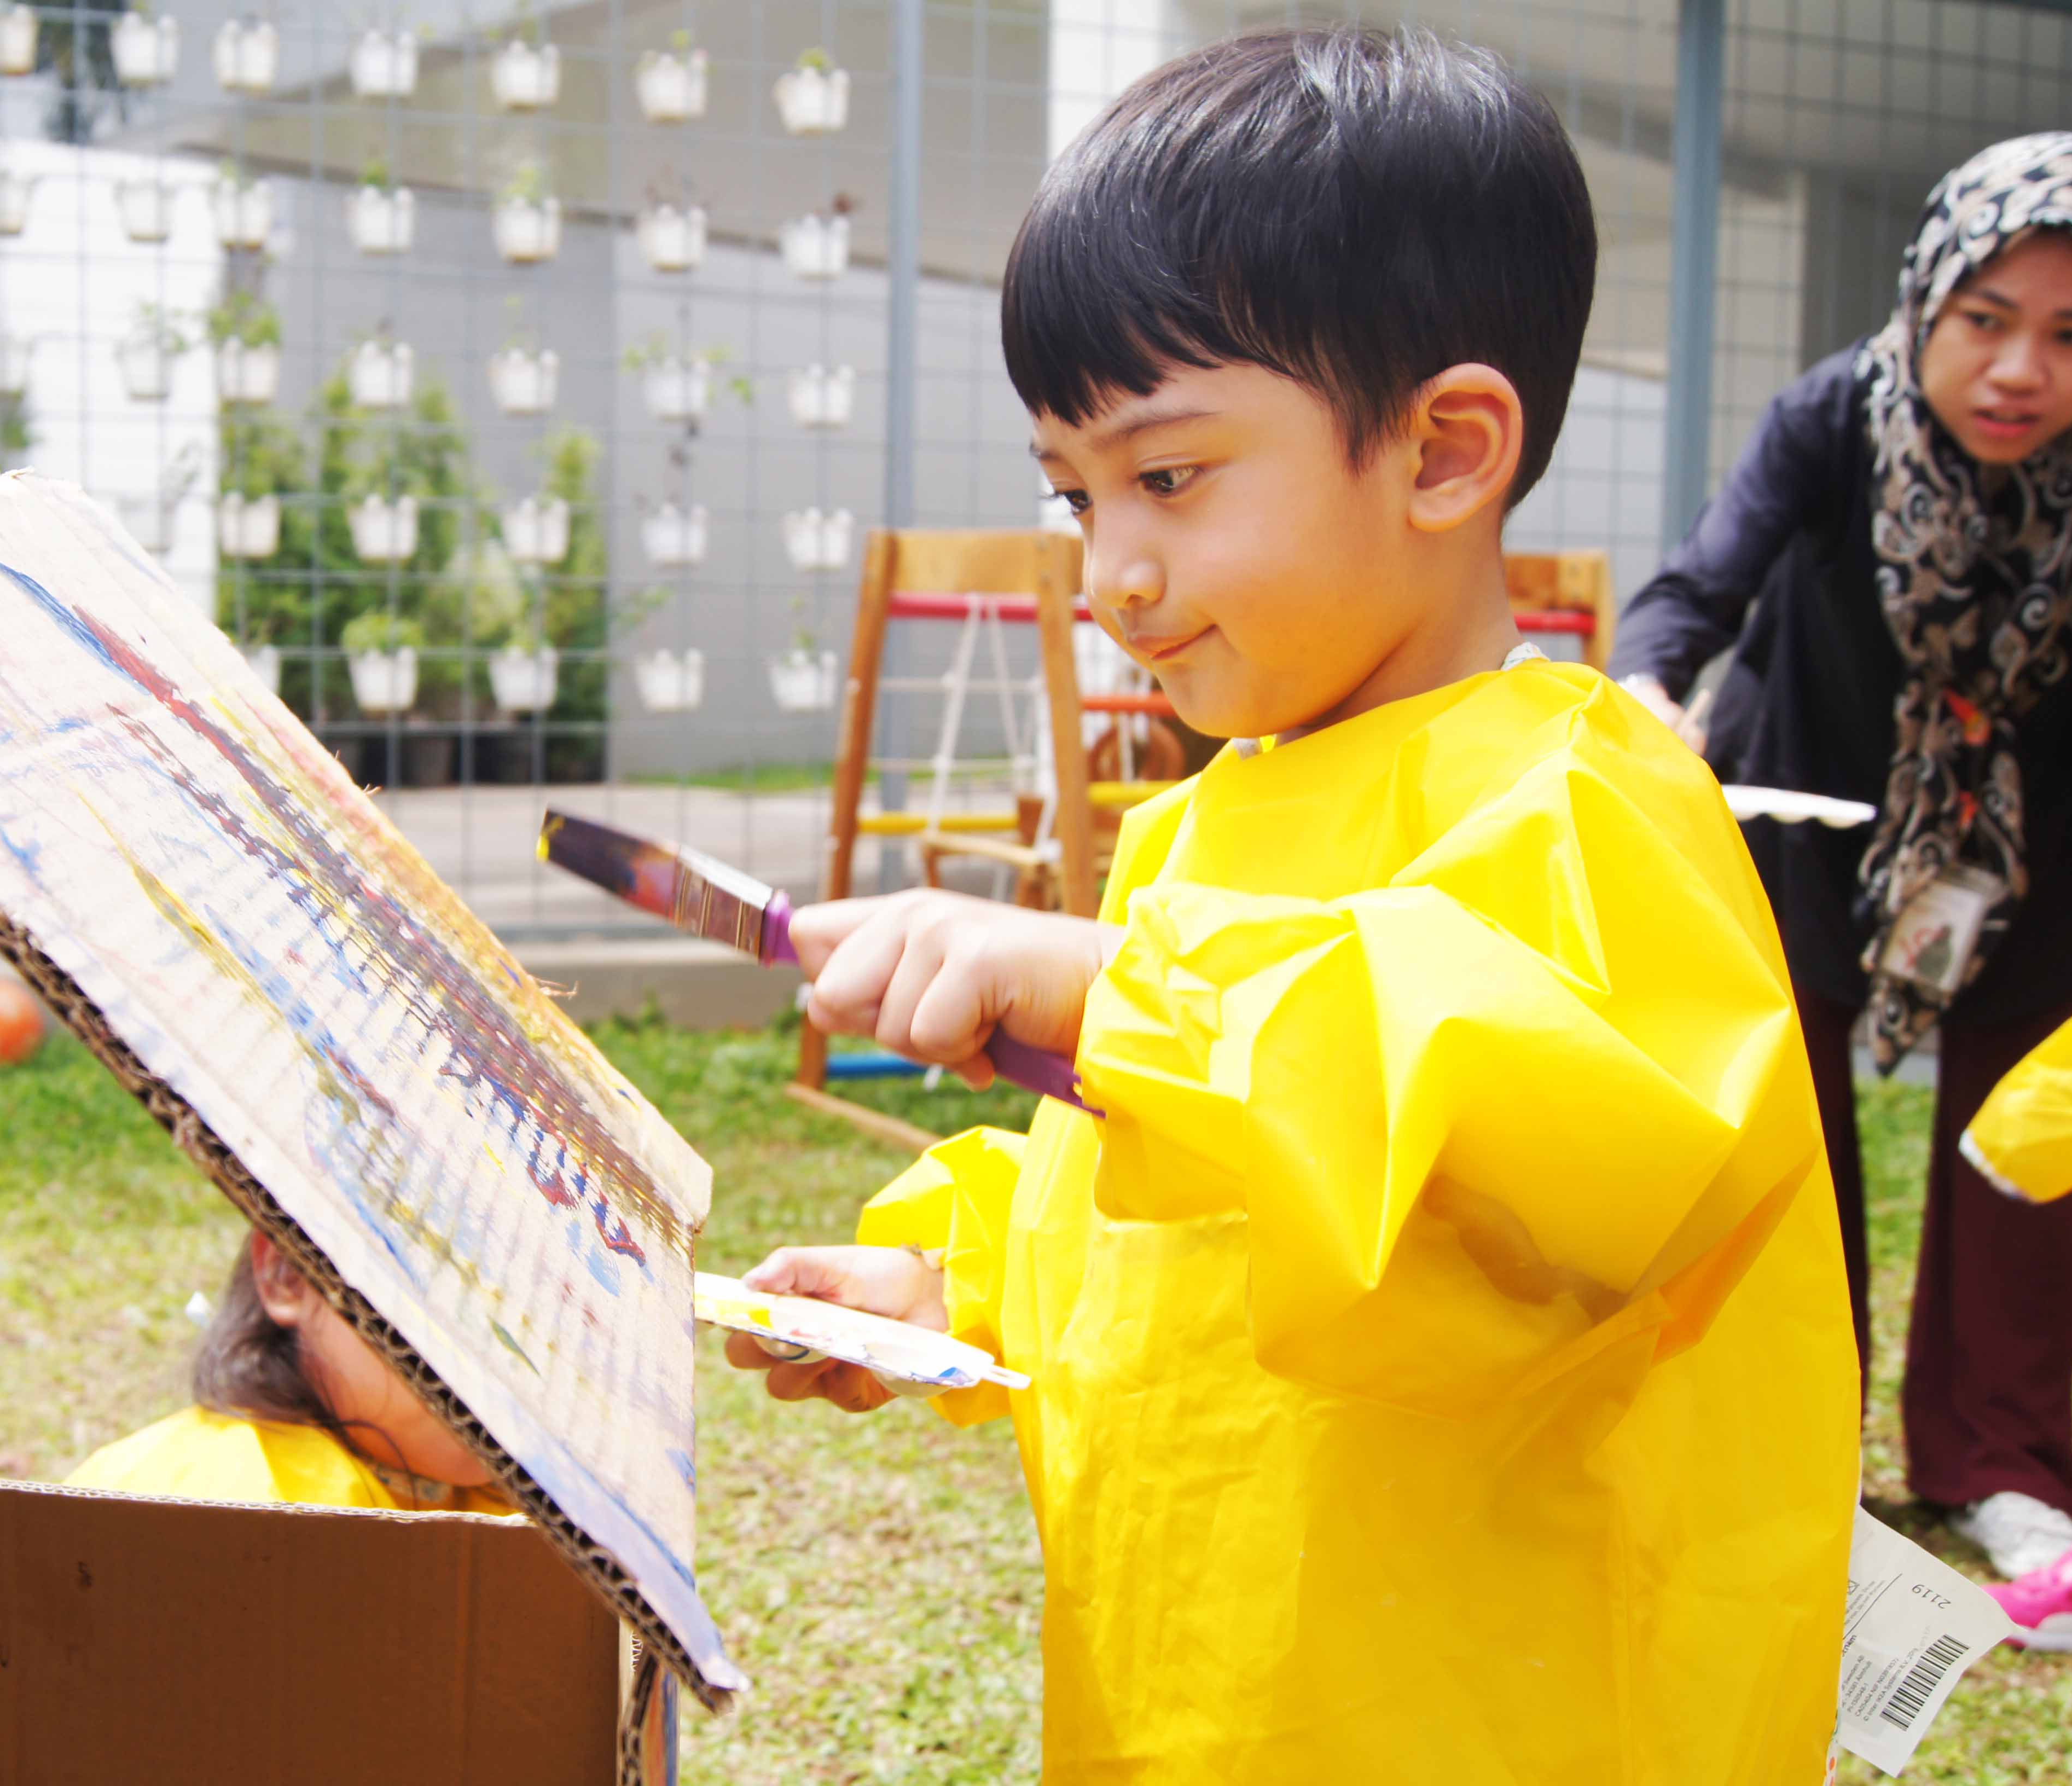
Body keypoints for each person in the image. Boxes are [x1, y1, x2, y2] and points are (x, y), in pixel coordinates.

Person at [726, 30, 1856, 1783]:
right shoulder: (1200, 828)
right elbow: (1162, 1205)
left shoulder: (1584, 802)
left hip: (1494, 1713)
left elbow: (1502, 1145)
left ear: (1439, 451)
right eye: (1072, 491)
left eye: (1165, 476)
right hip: (1198, 1694)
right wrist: (948, 1278)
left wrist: (1123, 997)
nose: (1108, 570)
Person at [1607, 135, 2072, 1583]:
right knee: (1786, 1155)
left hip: (2026, 847)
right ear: (1927, 304)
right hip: (1798, 817)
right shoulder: (1829, 420)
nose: (2018, 371)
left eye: (2070, 338)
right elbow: (1689, 594)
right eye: (1985, 322)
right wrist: (1646, 698)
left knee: (2030, 1147)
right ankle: (1793, 1451)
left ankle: (1998, 1461)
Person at [68, 1226, 516, 1515]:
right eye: (446, 1294)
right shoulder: (239, 1501)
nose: (498, 1358)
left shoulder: (531, 1512)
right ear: (288, 1275)